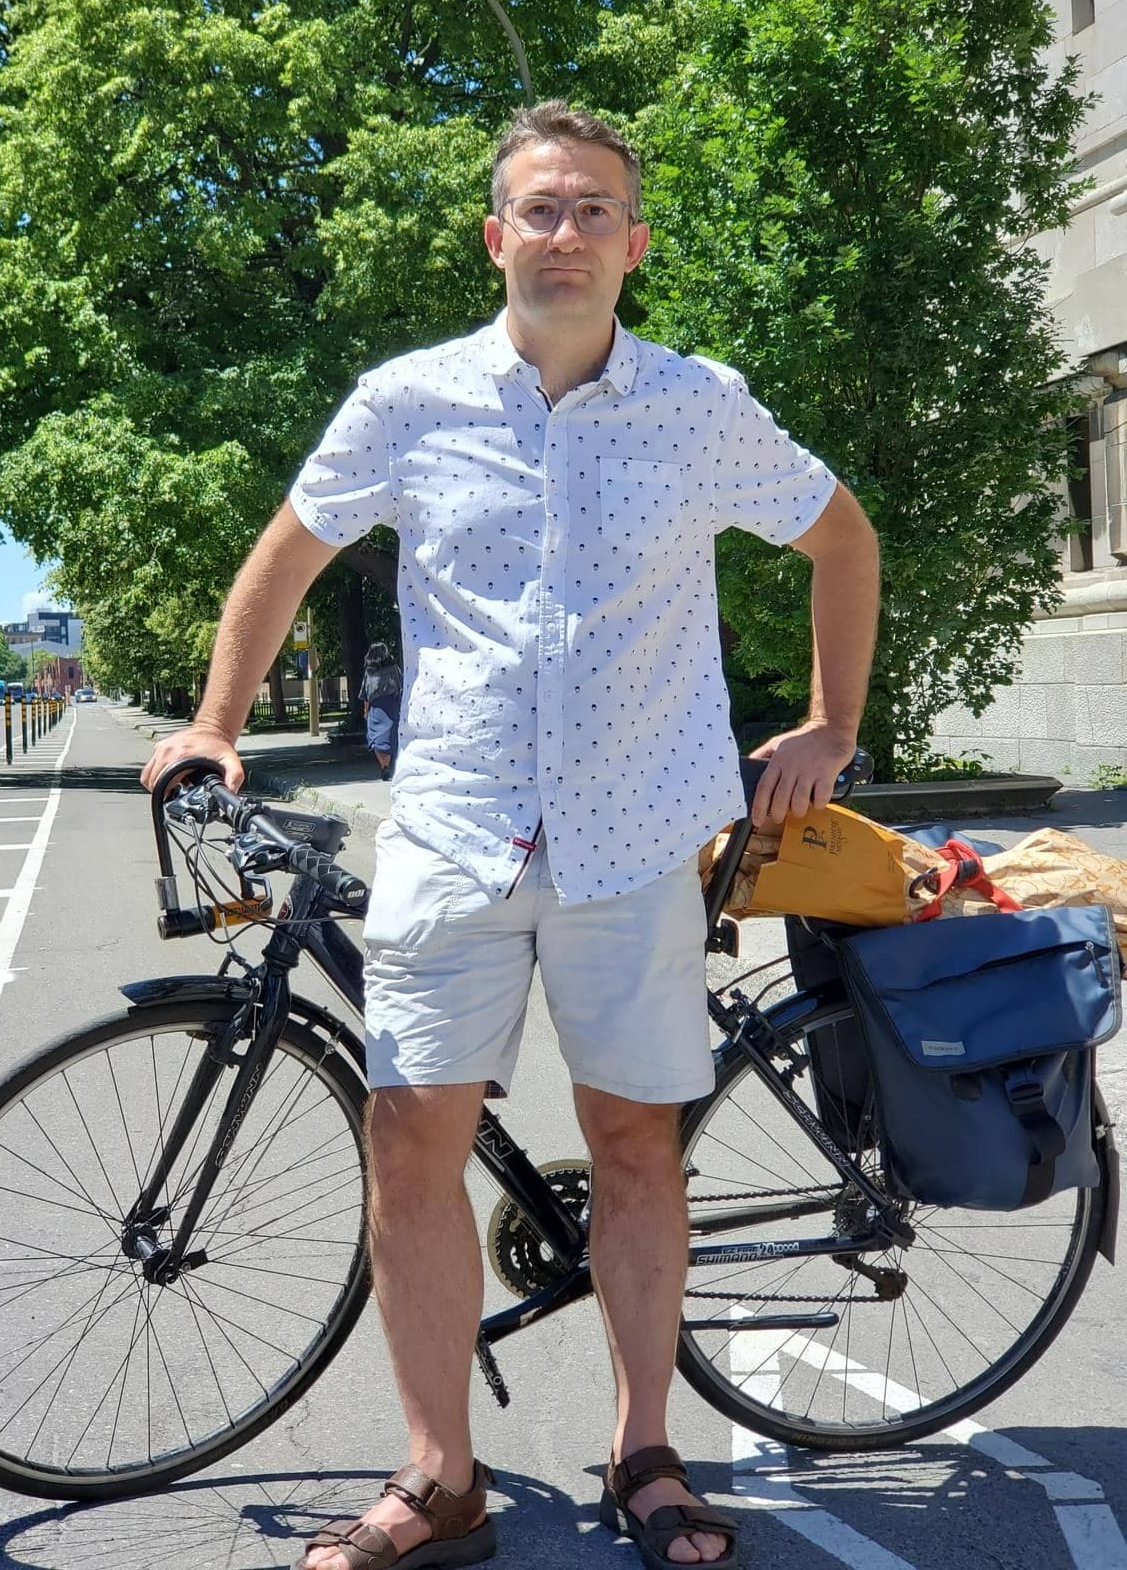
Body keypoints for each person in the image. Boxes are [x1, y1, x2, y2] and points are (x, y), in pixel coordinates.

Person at [142, 100, 880, 1570]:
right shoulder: (405, 401)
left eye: (595, 210)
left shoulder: (699, 403)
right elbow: (286, 555)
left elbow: (842, 537)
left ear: (634, 245)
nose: (566, 233)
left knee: (635, 1145)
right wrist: (219, 722)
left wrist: (829, 723)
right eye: (540, 210)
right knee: (410, 1137)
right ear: (497, 237)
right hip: (460, 825)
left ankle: (644, 1451)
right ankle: (440, 1480)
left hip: (635, 839)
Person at [359, 641, 403, 779]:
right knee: (390, 736)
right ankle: (387, 765)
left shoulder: (369, 673)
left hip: (375, 708)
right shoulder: (394, 668)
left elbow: (365, 694)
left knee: (376, 739)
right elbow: (401, 686)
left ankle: (384, 765)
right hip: (391, 707)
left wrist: (366, 711)